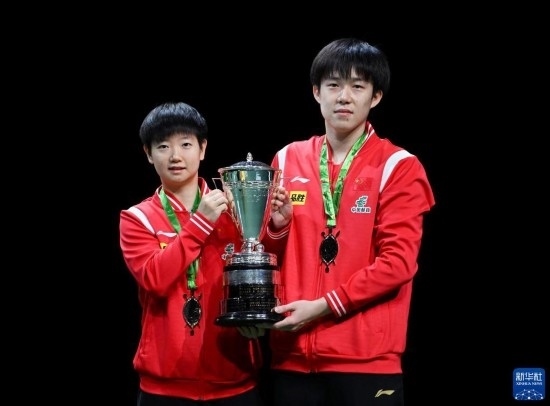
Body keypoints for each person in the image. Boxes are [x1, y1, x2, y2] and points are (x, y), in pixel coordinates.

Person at [252, 38, 436, 405]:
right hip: (291, 359)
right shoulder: (287, 159)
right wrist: (277, 228)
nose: (344, 97)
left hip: (367, 364)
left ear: (375, 96)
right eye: (334, 85)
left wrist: (324, 305)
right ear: (316, 92)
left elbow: (398, 263)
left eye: (357, 86)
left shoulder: (398, 166)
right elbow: (265, 254)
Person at [119, 102, 275, 405]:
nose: (175, 156)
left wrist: (278, 226)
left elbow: (264, 266)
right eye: (163, 146)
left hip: (234, 378)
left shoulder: (236, 209)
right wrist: (201, 222)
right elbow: (155, 279)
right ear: (148, 154)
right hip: (164, 388)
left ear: (203, 149)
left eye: (186, 144)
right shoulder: (137, 218)